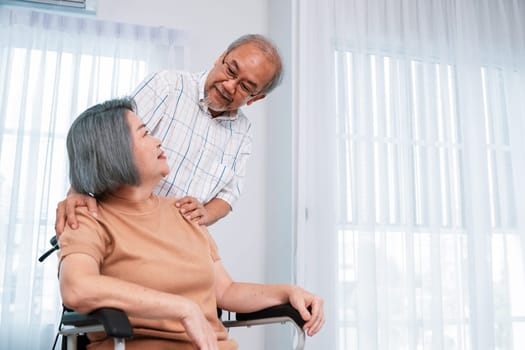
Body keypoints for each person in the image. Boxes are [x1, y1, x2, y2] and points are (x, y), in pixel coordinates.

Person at [58, 97, 324, 350]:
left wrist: (288, 292)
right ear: (114, 151)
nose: (158, 140)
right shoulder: (86, 217)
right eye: (144, 134)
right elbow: (77, 287)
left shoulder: (184, 211)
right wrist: (182, 308)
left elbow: (226, 290)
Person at [55, 34, 283, 234]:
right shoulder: (167, 86)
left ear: (256, 98)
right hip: (120, 224)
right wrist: (77, 191)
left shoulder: (243, 133)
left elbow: (229, 194)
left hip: (174, 241)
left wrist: (206, 212)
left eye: (245, 87)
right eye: (231, 70)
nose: (229, 86)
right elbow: (109, 140)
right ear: (220, 56)